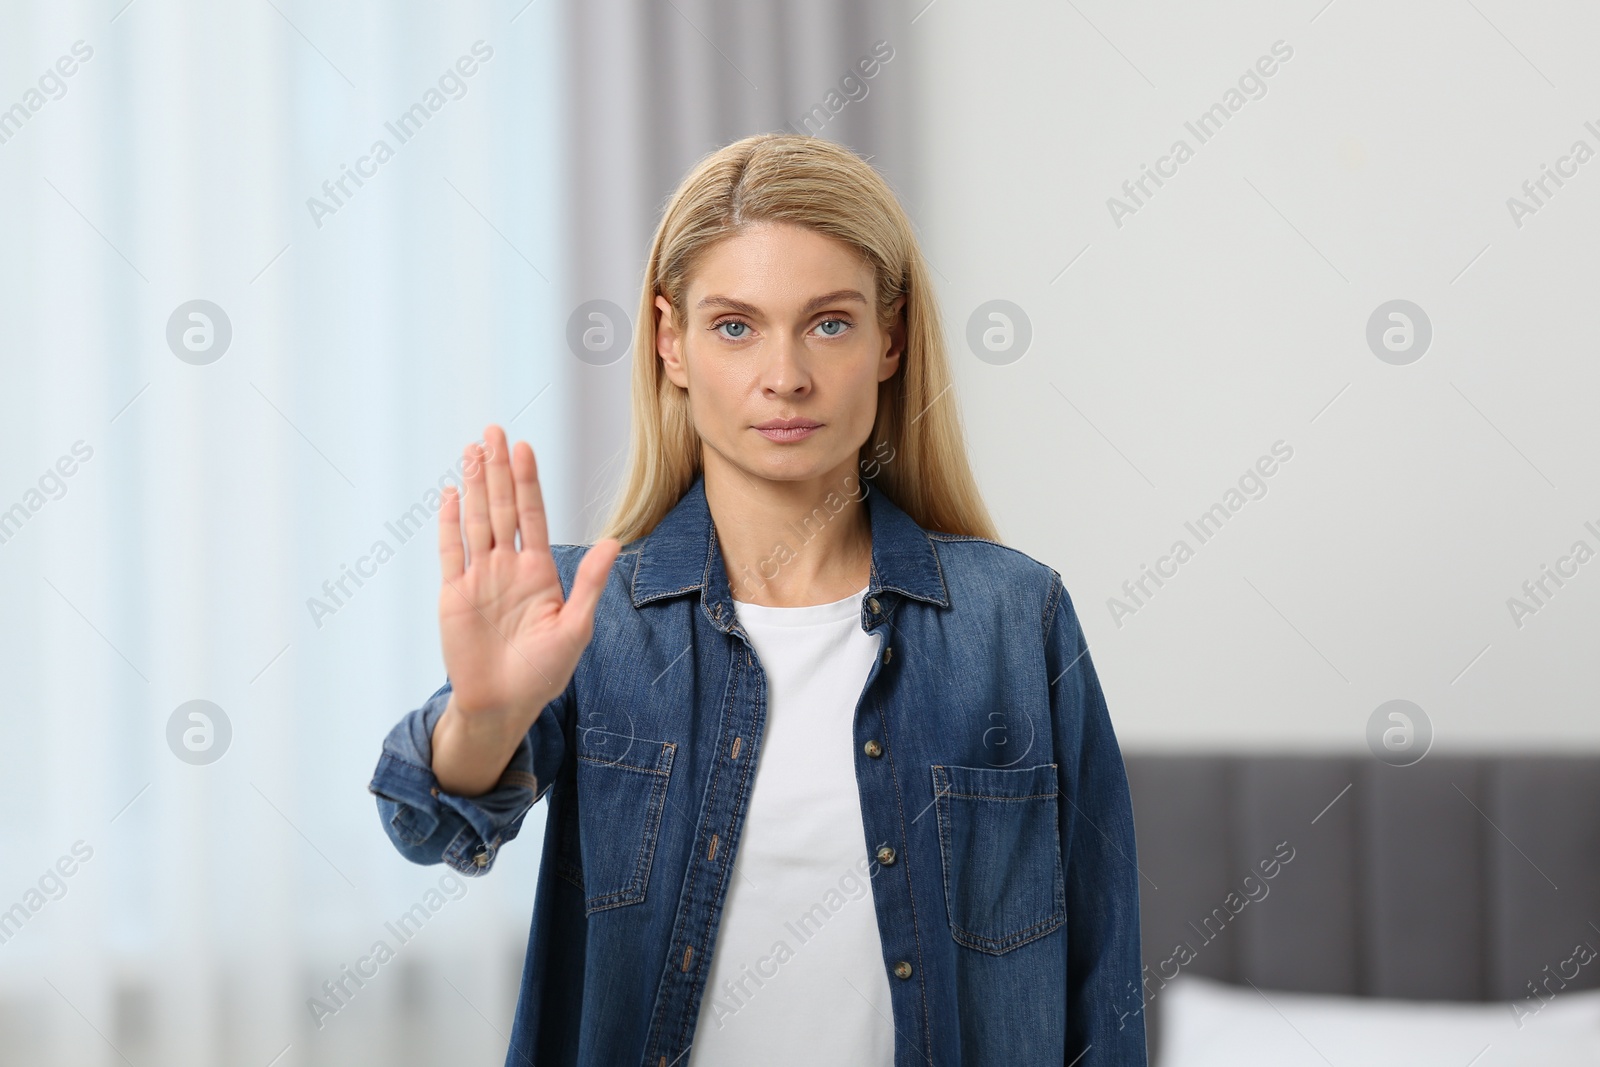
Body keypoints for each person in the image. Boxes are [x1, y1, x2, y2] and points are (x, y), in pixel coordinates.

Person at [369, 132, 1147, 1066]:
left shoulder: (1016, 619)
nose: (786, 375)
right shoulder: (590, 619)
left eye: (828, 322)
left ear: (889, 339)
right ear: (672, 342)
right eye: (735, 325)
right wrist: (484, 721)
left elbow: (1103, 990)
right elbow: (426, 825)